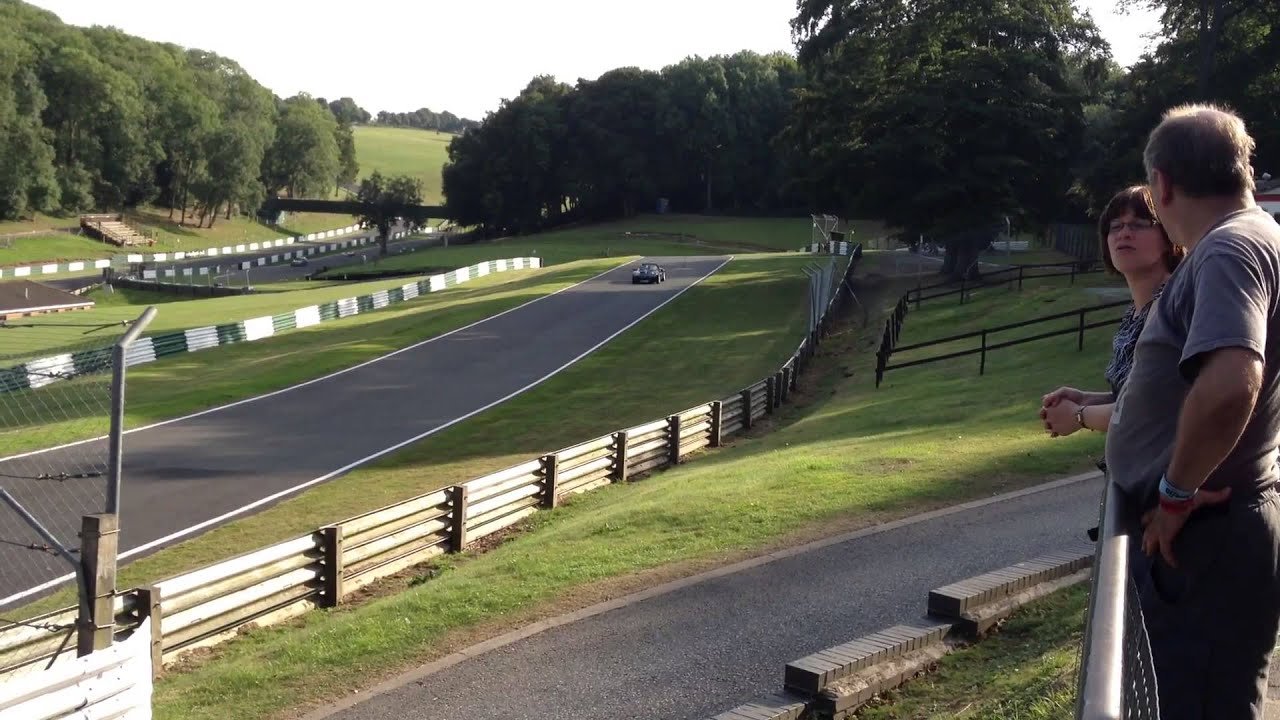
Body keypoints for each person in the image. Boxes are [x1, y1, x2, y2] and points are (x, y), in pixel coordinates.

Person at [1106, 103, 1280, 720]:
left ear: (1163, 185)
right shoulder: (1252, 239)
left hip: (1205, 538)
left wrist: (1176, 492)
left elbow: (1234, 382)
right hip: (1218, 533)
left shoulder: (1228, 248)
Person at [1039, 185, 1184, 438]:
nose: (1124, 233)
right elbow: (1133, 395)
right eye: (1115, 227)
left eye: (1139, 224)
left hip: (1165, 473)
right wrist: (1086, 399)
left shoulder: (1172, 304)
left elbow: (1156, 408)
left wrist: (1079, 416)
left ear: (1168, 237)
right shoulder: (1135, 312)